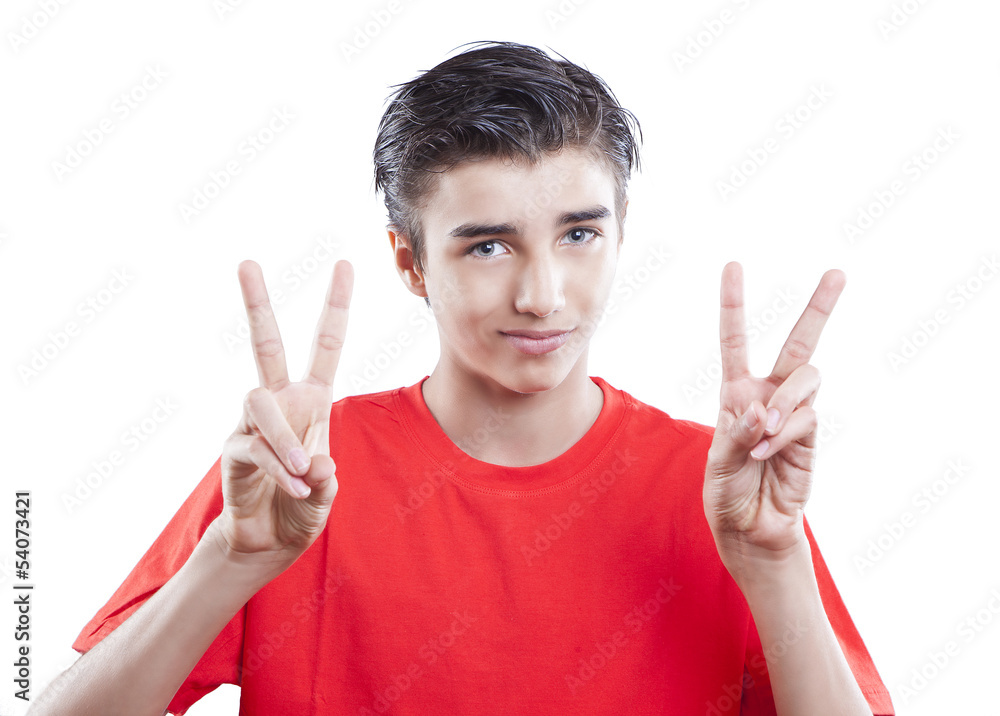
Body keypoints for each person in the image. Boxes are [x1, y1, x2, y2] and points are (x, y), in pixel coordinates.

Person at [31, 41, 895, 715]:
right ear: (409, 262)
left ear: (621, 232)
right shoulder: (299, 474)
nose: (542, 293)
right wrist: (228, 560)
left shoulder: (726, 493)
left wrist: (773, 560)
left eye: (579, 234)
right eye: (488, 245)